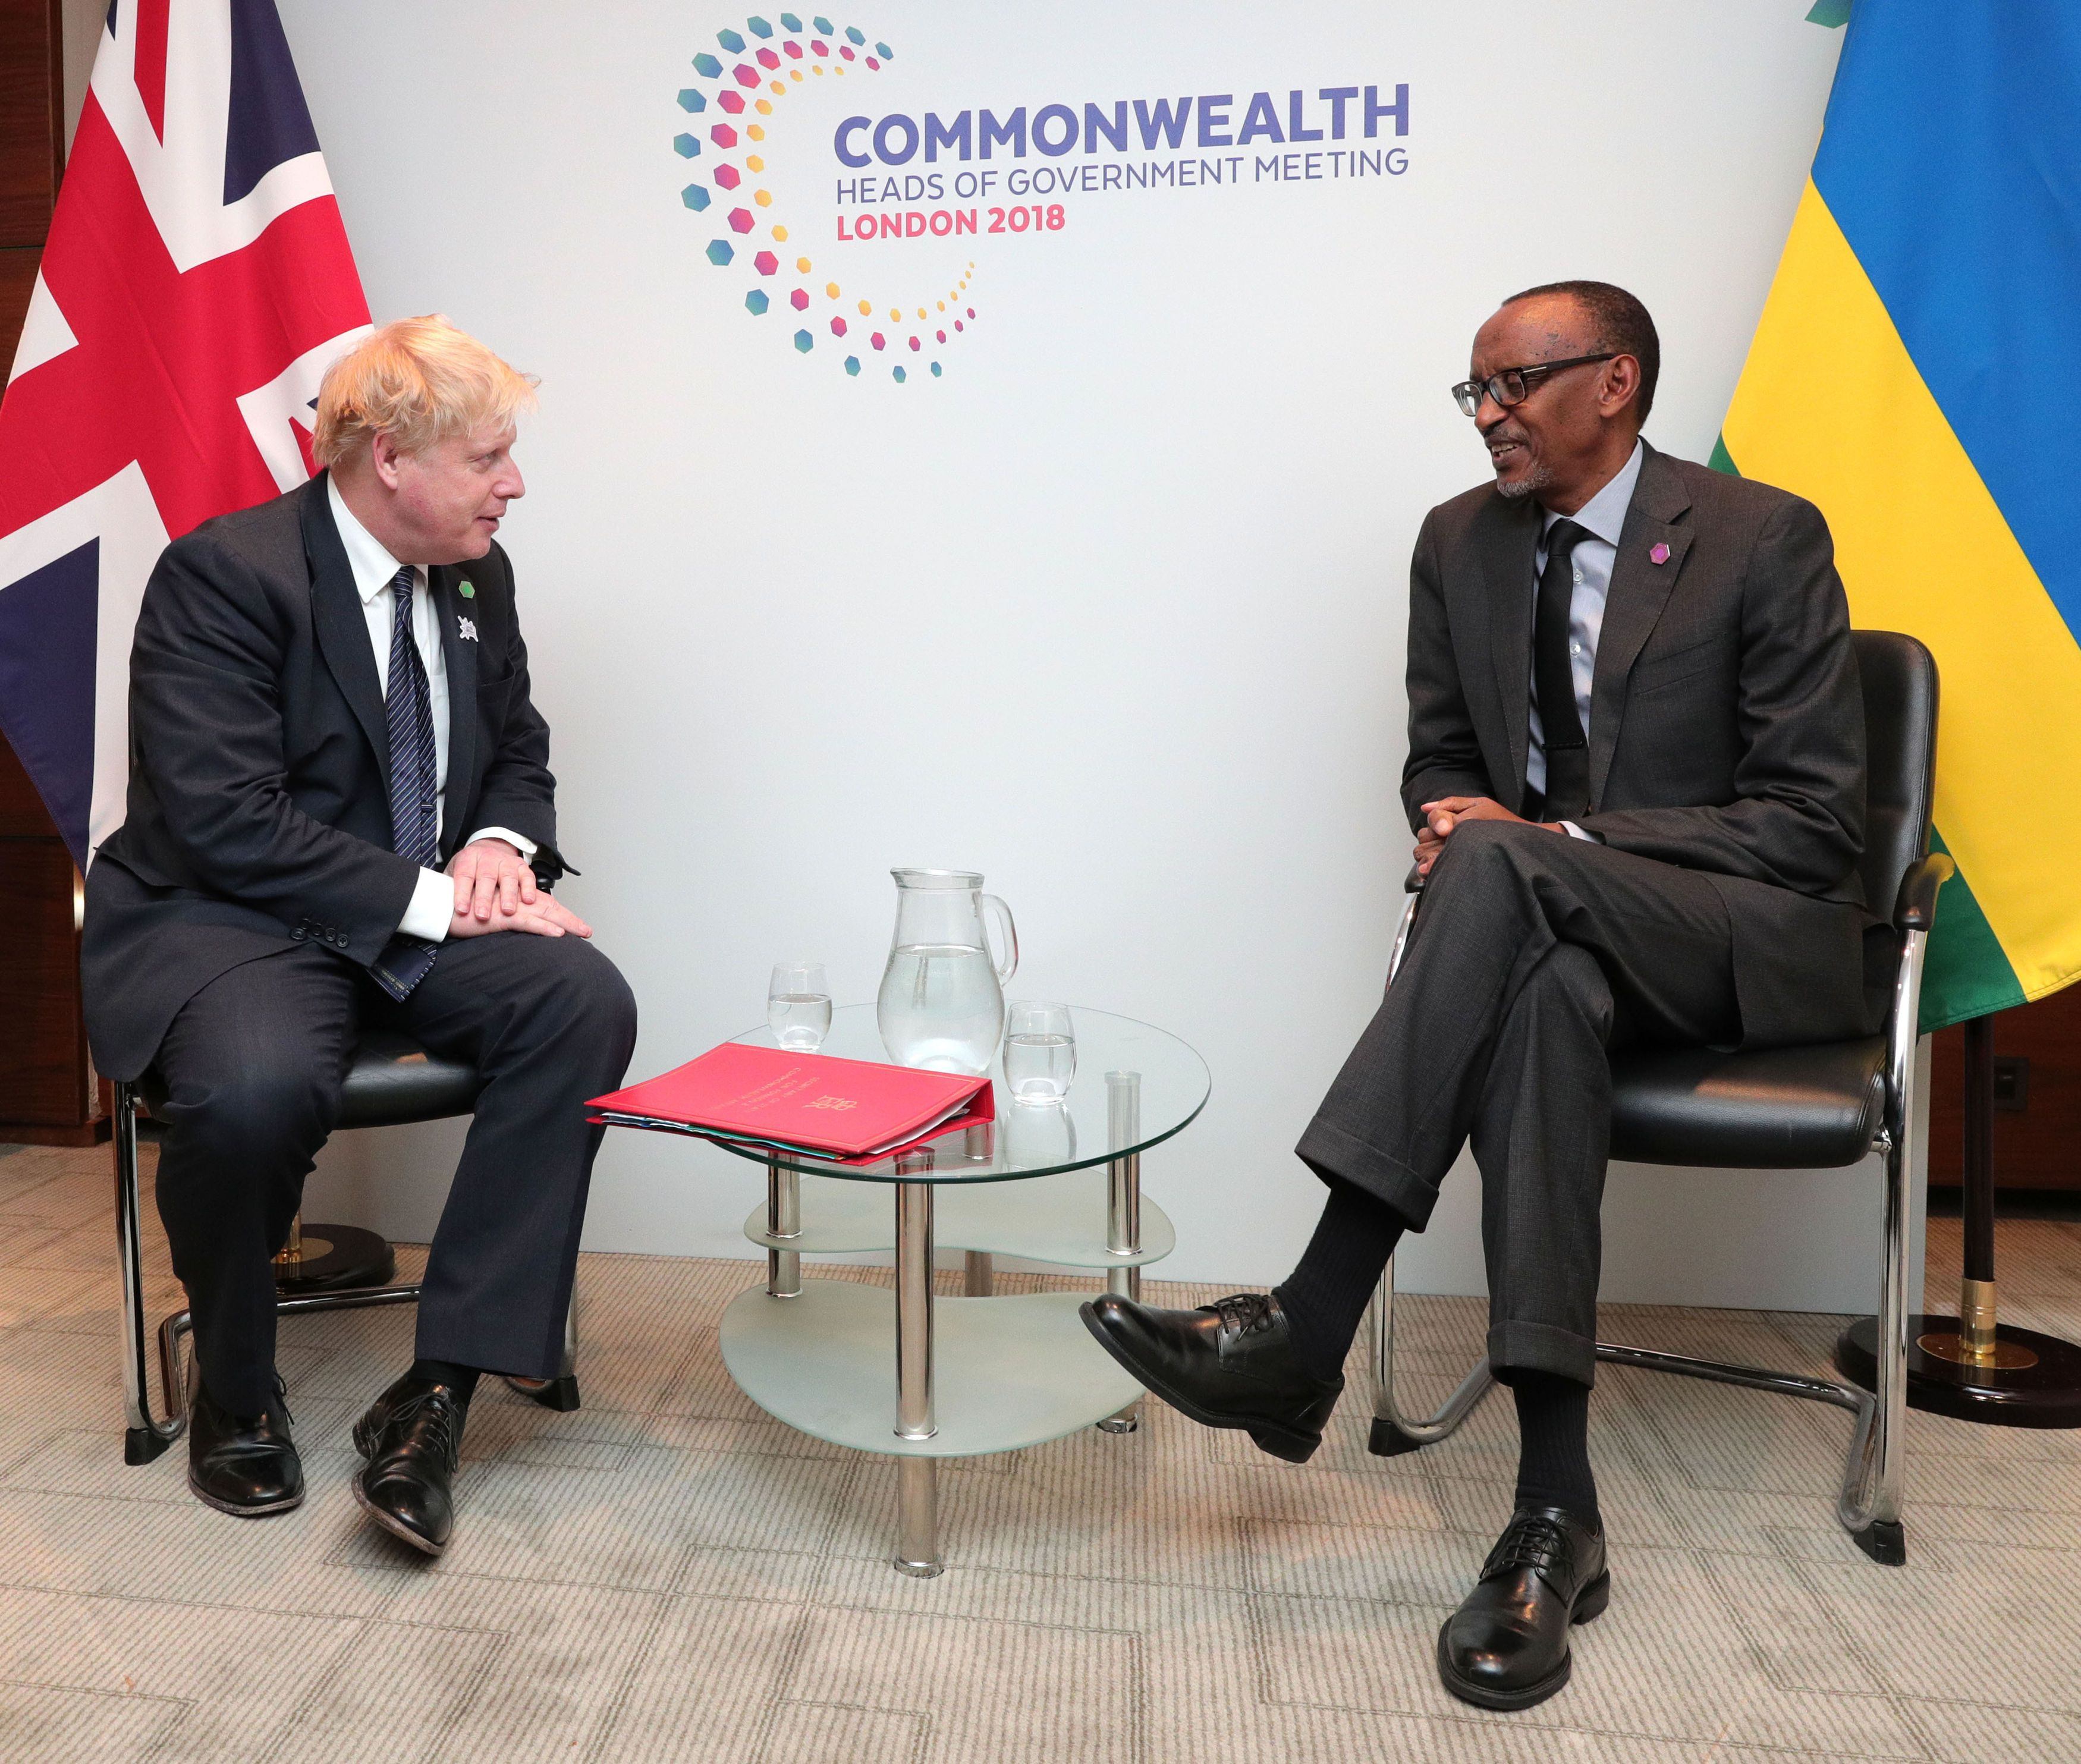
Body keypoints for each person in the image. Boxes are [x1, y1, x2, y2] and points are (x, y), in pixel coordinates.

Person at [1083, 281, 1880, 1710]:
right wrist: (1460, 815)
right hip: (1550, 941)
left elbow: (1814, 824)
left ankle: (1309, 1322)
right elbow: (1438, 752)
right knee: (1543, 997)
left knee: (1515, 880)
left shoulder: (1761, 535)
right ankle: (1553, 1518)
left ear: (1617, 381)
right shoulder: (1458, 541)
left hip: (1741, 936)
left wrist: (1546, 845)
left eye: (1515, 382)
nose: (1490, 414)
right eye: (1475, 391)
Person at [83, 316, 637, 1555]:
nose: (516, 483)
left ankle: (438, 1388)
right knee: (255, 1084)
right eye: (490, 456)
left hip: (403, 906)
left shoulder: (476, 576)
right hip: (234, 919)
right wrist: (443, 897)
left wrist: (498, 844)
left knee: (579, 1000)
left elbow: (521, 750)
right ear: (389, 456)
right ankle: (234, 1380)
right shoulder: (226, 574)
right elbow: (229, 823)